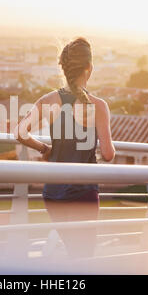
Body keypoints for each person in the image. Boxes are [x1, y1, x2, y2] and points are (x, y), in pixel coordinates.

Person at [14, 37, 115, 258]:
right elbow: (108, 154)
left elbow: (20, 133)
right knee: (84, 256)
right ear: (89, 68)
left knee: (73, 251)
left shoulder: (48, 100)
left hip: (53, 192)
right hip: (82, 191)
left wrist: (44, 149)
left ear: (64, 68)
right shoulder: (98, 105)